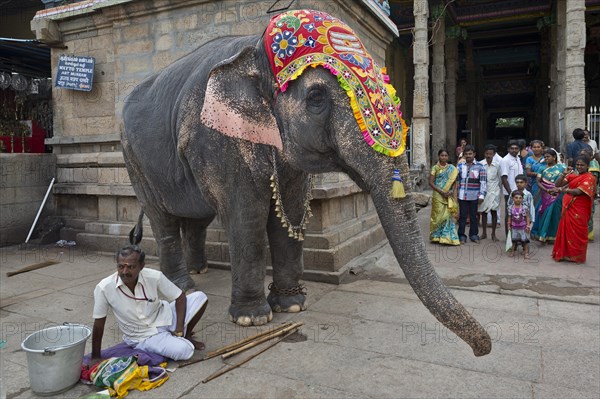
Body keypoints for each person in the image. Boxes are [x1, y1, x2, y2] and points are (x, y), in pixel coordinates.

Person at [91, 245, 208, 364]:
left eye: (131, 267)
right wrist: (95, 357)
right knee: (185, 351)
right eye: (121, 267)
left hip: (164, 316)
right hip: (143, 337)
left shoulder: (154, 276)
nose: (125, 272)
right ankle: (170, 341)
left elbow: (180, 297)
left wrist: (179, 329)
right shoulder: (104, 288)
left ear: (141, 266)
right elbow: (99, 325)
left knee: (200, 297)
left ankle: (185, 335)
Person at [552, 156, 597, 263]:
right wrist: (564, 173)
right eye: (577, 165)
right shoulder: (573, 176)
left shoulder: (590, 178)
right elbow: (557, 184)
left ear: (588, 166)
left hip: (580, 208)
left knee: (578, 231)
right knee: (566, 229)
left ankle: (577, 256)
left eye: (582, 165)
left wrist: (562, 190)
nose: (579, 167)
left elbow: (578, 192)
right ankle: (565, 254)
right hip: (569, 207)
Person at [530, 148, 566, 243]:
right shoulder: (542, 168)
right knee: (544, 213)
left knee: (555, 214)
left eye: (548, 157)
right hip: (545, 194)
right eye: (545, 157)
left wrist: (558, 189)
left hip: (558, 194)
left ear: (554, 157)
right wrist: (546, 190)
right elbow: (538, 182)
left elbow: (567, 180)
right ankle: (543, 235)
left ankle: (554, 236)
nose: (546, 158)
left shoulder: (562, 168)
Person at [429, 149, 460, 245]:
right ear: (439, 156)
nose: (444, 157)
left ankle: (446, 237)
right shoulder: (435, 168)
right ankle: (436, 237)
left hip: (448, 195)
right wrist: (441, 192)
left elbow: (455, 184)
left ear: (448, 157)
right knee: (437, 216)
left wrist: (452, 195)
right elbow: (430, 182)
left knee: (447, 216)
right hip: (438, 195)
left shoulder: (452, 169)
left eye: (446, 155)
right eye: (442, 155)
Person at [456, 145, 487, 244]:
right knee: (463, 216)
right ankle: (461, 235)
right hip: (462, 195)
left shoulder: (480, 167)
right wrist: (455, 195)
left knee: (474, 216)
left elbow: (483, 182)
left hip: (474, 195)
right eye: (466, 154)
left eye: (470, 154)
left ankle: (473, 235)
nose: (468, 156)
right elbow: (456, 181)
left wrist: (482, 195)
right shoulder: (460, 166)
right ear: (464, 155)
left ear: (474, 154)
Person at [478, 144, 502, 241]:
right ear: (484, 153)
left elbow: (500, 179)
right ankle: (484, 233)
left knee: (494, 212)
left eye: (490, 154)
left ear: (494, 154)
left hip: (494, 191)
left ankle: (493, 234)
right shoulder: (480, 164)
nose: (488, 155)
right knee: (483, 212)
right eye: (487, 153)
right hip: (484, 191)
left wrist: (498, 190)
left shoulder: (497, 165)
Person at [501, 140, 524, 234]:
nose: (514, 150)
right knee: (510, 214)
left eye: (516, 148)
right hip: (511, 192)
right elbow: (504, 178)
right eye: (512, 148)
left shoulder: (518, 158)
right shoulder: (505, 160)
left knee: (519, 213)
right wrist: (511, 193)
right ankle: (509, 236)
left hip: (520, 192)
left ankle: (517, 235)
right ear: (508, 149)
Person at [507, 190, 531, 259]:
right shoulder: (510, 208)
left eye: (520, 198)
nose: (518, 199)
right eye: (516, 198)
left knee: (525, 241)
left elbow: (527, 217)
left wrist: (528, 226)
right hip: (514, 227)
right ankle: (512, 251)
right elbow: (509, 217)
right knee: (514, 240)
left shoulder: (524, 208)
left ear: (522, 199)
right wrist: (509, 225)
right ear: (513, 198)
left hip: (523, 227)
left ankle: (526, 253)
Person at [524, 140, 545, 206]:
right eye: (534, 147)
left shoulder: (545, 158)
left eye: (538, 147)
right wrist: (538, 174)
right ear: (531, 148)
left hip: (546, 183)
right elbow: (528, 172)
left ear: (542, 148)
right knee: (536, 203)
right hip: (535, 184)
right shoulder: (529, 159)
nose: (536, 149)